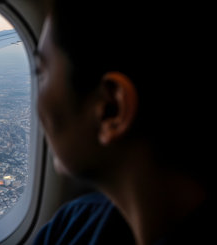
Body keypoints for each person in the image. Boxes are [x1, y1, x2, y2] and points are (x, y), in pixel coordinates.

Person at [34, 1, 215, 244]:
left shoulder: (75, 230)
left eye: (41, 72)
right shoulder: (70, 225)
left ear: (111, 110)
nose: (37, 103)